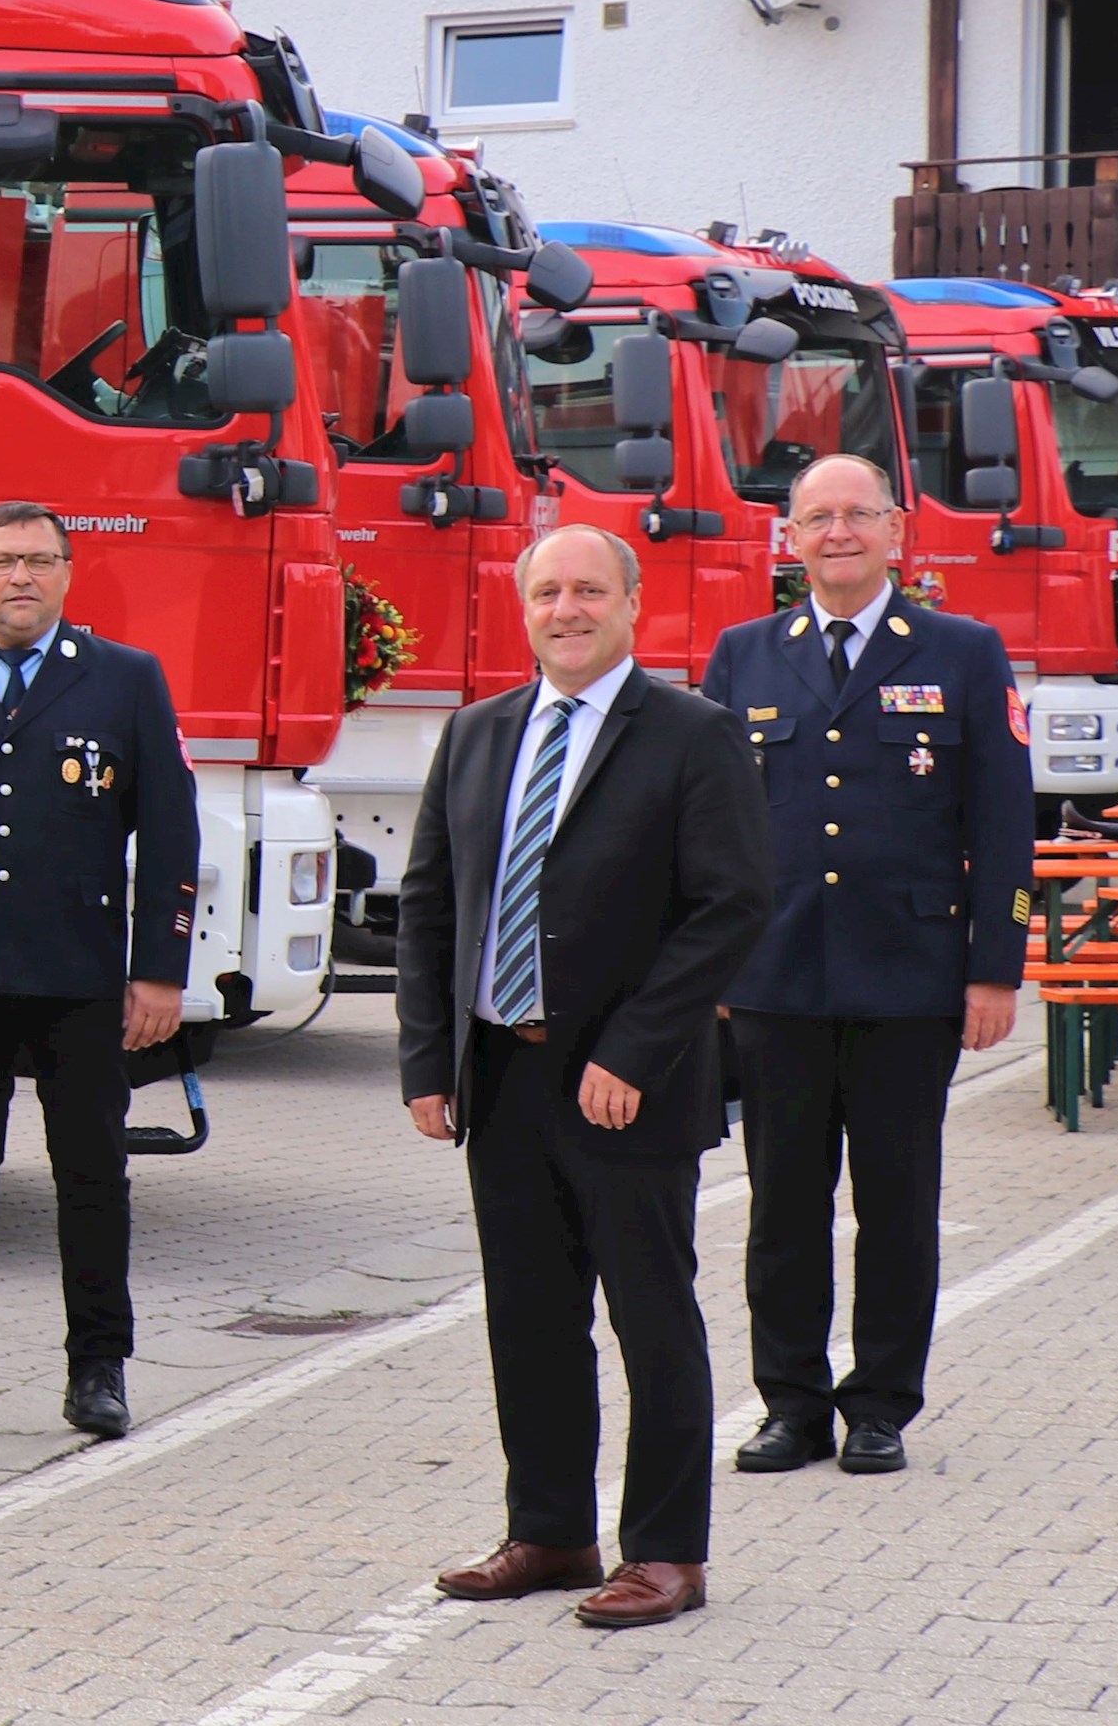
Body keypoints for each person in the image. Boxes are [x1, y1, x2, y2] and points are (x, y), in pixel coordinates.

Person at [399, 524, 768, 1631]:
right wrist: (429, 1055)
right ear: (524, 607)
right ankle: (552, 1530)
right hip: (499, 1076)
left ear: (631, 604)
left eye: (588, 590)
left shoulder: (693, 733)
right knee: (528, 1313)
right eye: (547, 590)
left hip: (625, 1079)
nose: (566, 607)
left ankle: (666, 1550)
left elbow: (732, 902)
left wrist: (635, 1048)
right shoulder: (475, 732)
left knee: (649, 1315)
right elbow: (429, 903)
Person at [699, 456, 1031, 1478]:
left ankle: (880, 1401)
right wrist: (702, 963)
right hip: (775, 977)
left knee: (895, 1198)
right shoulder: (743, 654)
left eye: (856, 514)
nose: (836, 531)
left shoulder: (962, 652)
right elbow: (701, 827)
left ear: (896, 529)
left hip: (909, 977)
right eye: (816, 517)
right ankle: (789, 1404)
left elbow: (1002, 820)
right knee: (782, 1204)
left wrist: (992, 969)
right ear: (788, 538)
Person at [0, 501, 195, 1444]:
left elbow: (170, 831)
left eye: (40, 561)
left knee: (92, 1174)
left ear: (69, 573)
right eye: (3, 560)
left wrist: (161, 970)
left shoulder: (125, 679)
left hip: (81, 974)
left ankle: (98, 1370)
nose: (21, 578)